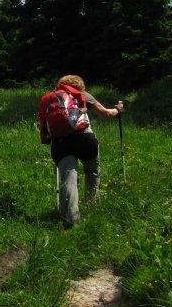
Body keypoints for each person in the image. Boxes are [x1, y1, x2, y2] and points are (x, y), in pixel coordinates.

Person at [39, 74, 123, 228]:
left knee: (69, 177)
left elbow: (43, 124)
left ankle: (71, 220)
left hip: (61, 144)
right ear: (79, 85)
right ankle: (92, 207)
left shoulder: (50, 98)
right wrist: (118, 109)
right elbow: (106, 113)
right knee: (92, 171)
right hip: (84, 139)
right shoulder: (82, 95)